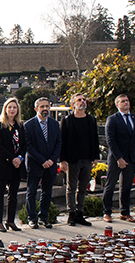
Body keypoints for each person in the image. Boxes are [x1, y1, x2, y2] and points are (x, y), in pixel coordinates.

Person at [60, 93, 99, 226]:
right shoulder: (67, 120)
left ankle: (80, 213)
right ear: (73, 104)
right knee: (71, 187)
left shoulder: (91, 120)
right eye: (79, 100)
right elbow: (62, 141)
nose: (82, 102)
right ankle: (71, 213)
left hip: (87, 158)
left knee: (83, 187)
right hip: (72, 159)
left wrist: (95, 157)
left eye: (84, 99)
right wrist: (62, 160)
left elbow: (95, 139)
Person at [23, 97, 62, 229]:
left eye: (47, 106)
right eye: (42, 107)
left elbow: (58, 143)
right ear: (36, 109)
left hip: (50, 164)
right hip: (35, 164)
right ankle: (32, 218)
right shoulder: (28, 125)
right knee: (32, 191)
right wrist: (42, 161)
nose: (45, 109)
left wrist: (52, 160)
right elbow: (28, 146)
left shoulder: (55, 124)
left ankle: (43, 217)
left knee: (47, 192)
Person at [102, 94, 135, 223]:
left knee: (127, 186)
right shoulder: (112, 119)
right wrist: (119, 158)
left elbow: (134, 137)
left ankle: (125, 212)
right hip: (116, 158)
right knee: (110, 185)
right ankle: (107, 212)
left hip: (130, 157)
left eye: (127, 101)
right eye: (122, 101)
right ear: (117, 105)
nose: (126, 103)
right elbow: (110, 140)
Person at [0, 97, 26, 233]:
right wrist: (13, 158)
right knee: (0, 193)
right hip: (4, 163)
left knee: (14, 194)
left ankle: (10, 220)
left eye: (14, 107)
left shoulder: (20, 126)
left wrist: (20, 158)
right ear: (5, 109)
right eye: (9, 107)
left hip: (17, 164)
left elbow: (24, 144)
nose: (12, 110)